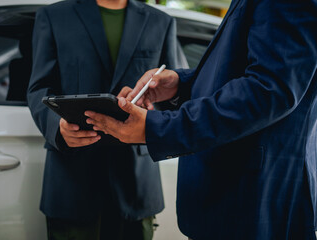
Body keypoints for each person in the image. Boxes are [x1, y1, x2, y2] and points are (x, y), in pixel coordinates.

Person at [85, 0, 317, 239]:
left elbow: (269, 90)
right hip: (234, 203)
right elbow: (239, 73)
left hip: (255, 203)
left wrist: (159, 127)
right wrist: (180, 83)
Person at [27, 0, 187, 239]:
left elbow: (175, 93)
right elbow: (39, 88)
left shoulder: (161, 21)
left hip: (136, 183)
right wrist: (58, 128)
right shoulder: (53, 16)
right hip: (72, 180)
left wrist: (154, 107)